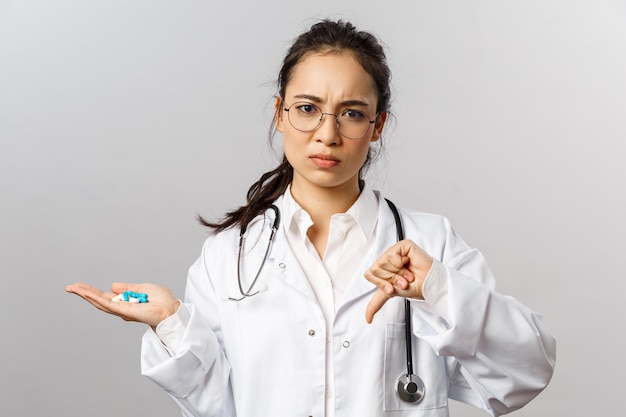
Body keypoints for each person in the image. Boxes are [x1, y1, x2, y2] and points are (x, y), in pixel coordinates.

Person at [66, 19, 556, 417]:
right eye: (307, 108)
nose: (327, 134)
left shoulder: (431, 243)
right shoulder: (230, 255)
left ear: (377, 125)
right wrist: (172, 324)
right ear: (280, 114)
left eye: (351, 113)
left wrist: (439, 289)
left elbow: (524, 374)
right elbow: (217, 406)